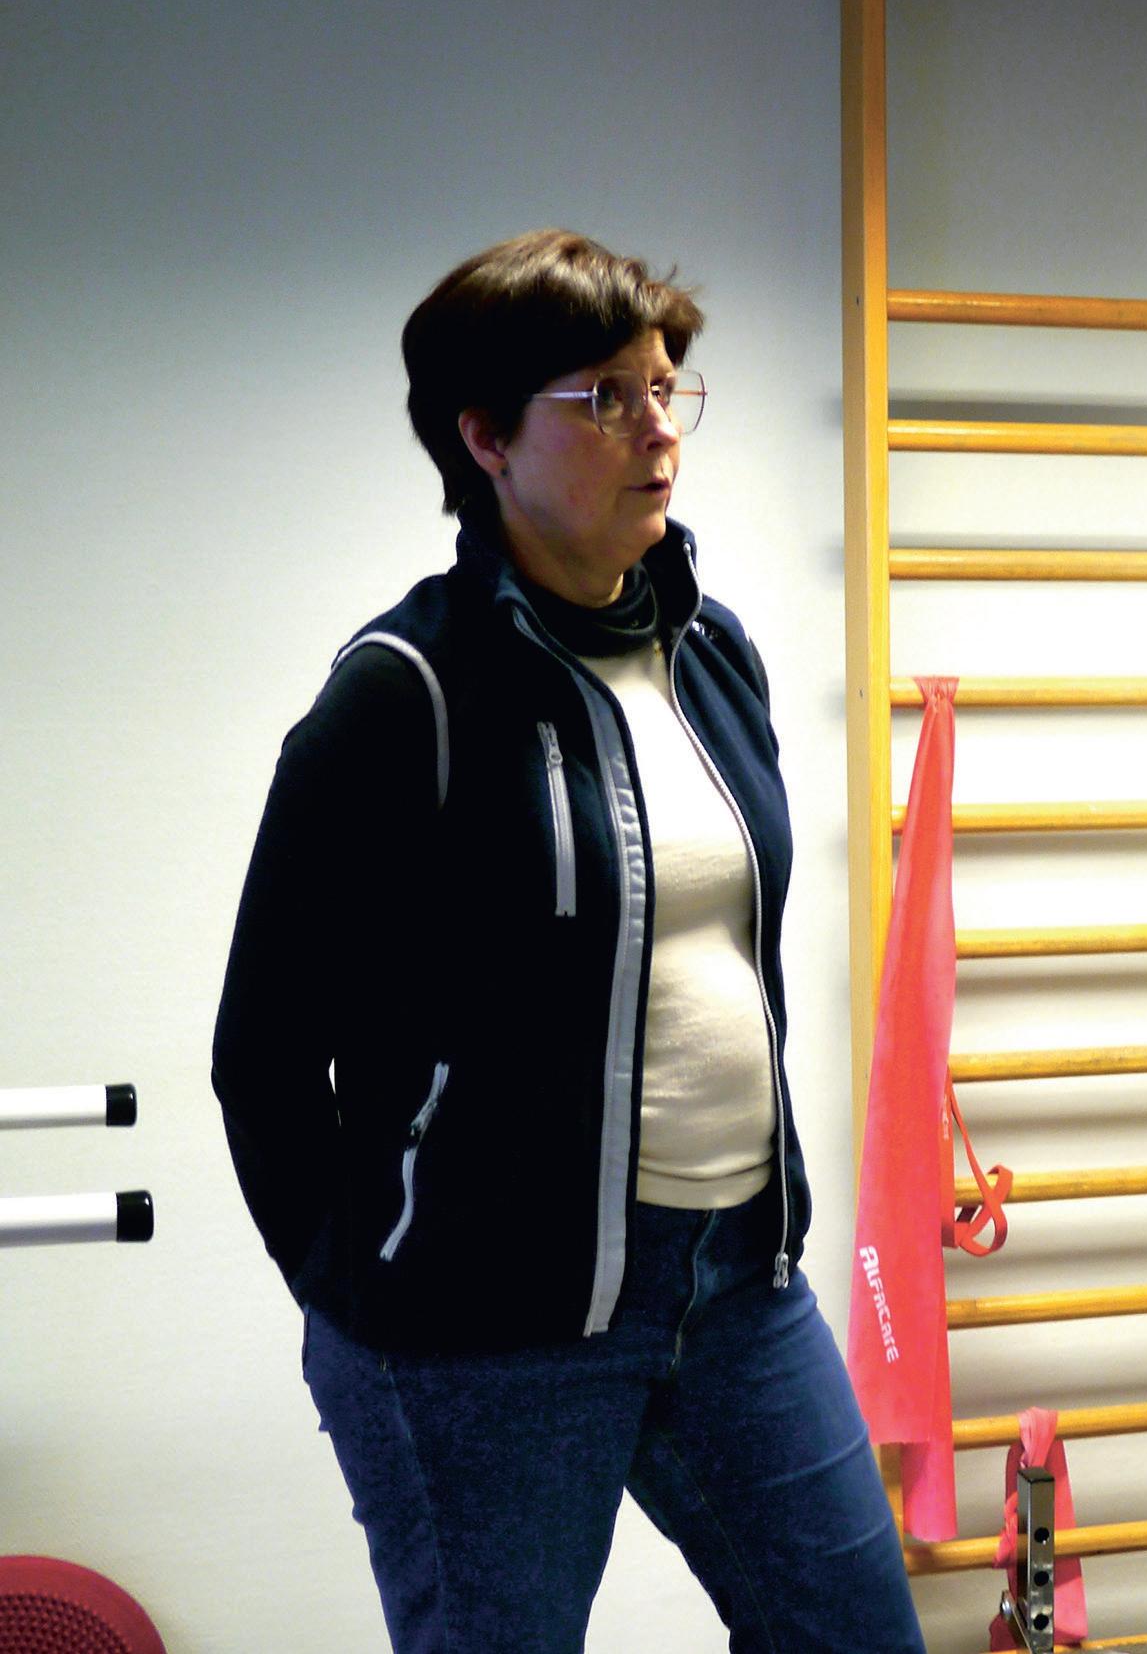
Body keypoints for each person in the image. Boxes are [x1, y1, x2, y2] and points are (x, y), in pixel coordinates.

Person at [213, 230, 927, 1653]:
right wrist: (368, 1297)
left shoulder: (712, 655)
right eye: (605, 396)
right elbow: (265, 1052)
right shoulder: (406, 693)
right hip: (488, 1340)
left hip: (734, 1287)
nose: (658, 427)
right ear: (484, 437)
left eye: (666, 387)